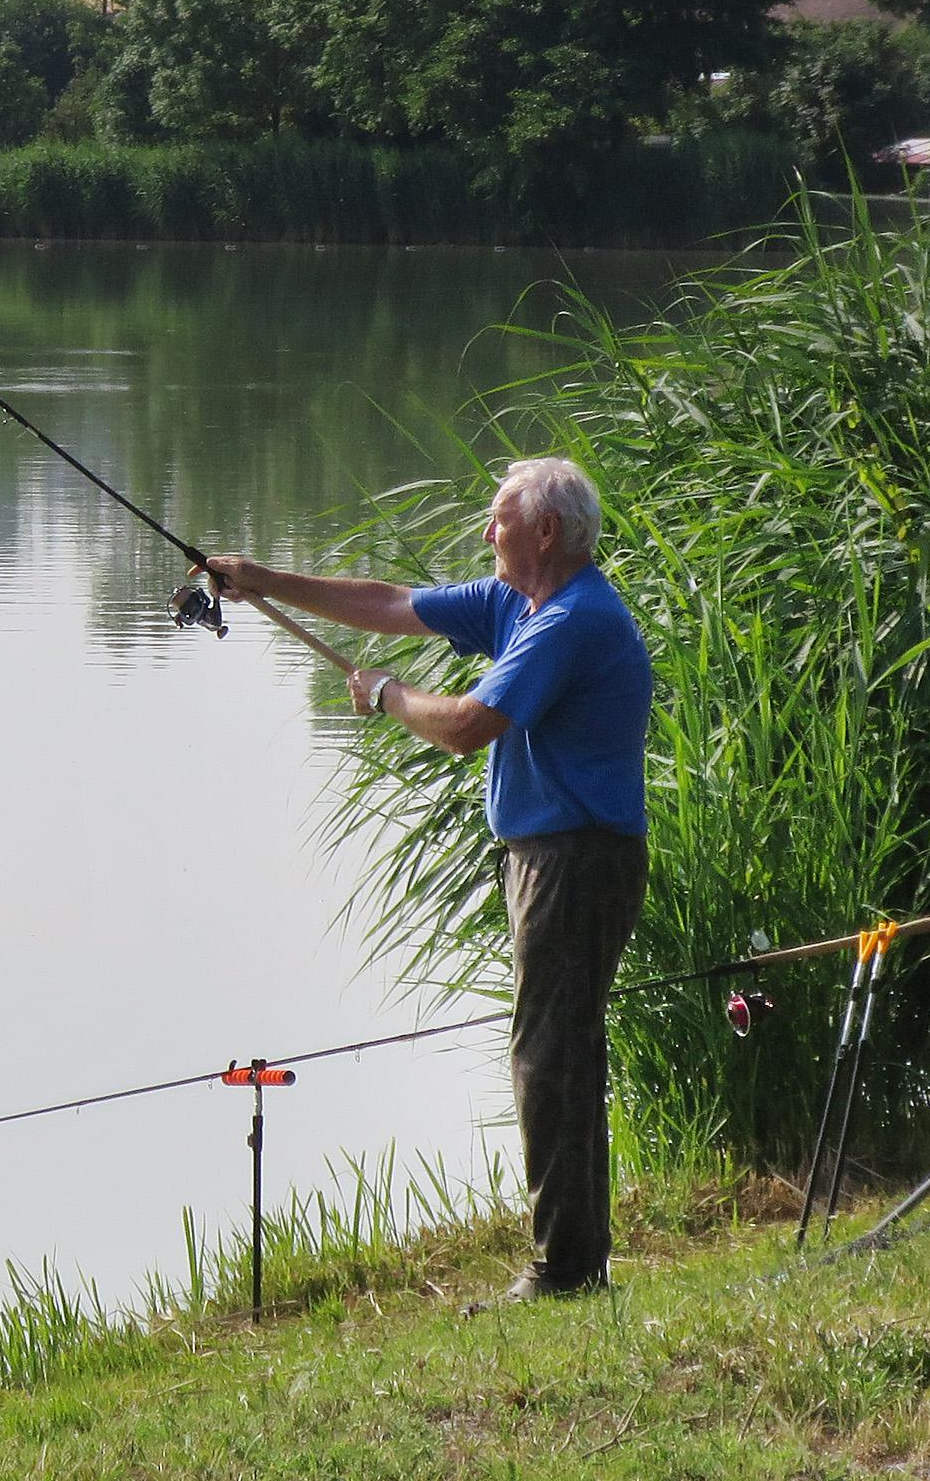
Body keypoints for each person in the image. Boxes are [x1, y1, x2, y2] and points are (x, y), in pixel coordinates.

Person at [203, 455, 653, 1299]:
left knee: (549, 1055)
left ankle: (563, 1270)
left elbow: (467, 726)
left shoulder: (570, 620)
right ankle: (578, 1259)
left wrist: (386, 695)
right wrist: (261, 580)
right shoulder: (516, 603)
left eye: (499, 520)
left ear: (544, 531)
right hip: (555, 858)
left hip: (576, 861)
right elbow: (390, 604)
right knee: (562, 1051)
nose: (486, 533)